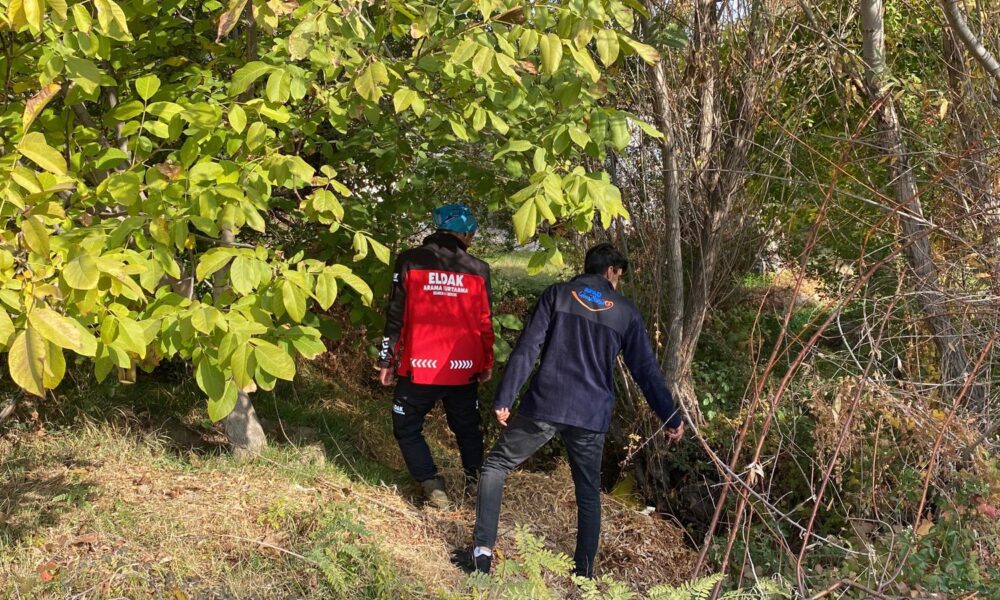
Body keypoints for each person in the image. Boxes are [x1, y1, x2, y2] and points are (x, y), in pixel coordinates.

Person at [469, 243, 684, 577]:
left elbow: (527, 348)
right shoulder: (625, 312)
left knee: (496, 466)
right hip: (591, 415)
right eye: (619, 275)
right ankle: (583, 575)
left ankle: (481, 555)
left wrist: (505, 398)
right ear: (611, 271)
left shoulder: (557, 295)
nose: (618, 280)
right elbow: (646, 371)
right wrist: (670, 416)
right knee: (588, 494)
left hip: (545, 404)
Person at [378, 204, 494, 509]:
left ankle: (432, 486)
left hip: (420, 367)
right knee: (468, 428)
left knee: (406, 425)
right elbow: (485, 322)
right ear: (464, 234)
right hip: (464, 368)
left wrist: (386, 360)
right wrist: (486, 363)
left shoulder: (409, 260)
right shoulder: (479, 269)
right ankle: (475, 485)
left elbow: (396, 315)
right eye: (471, 234)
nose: (471, 239)